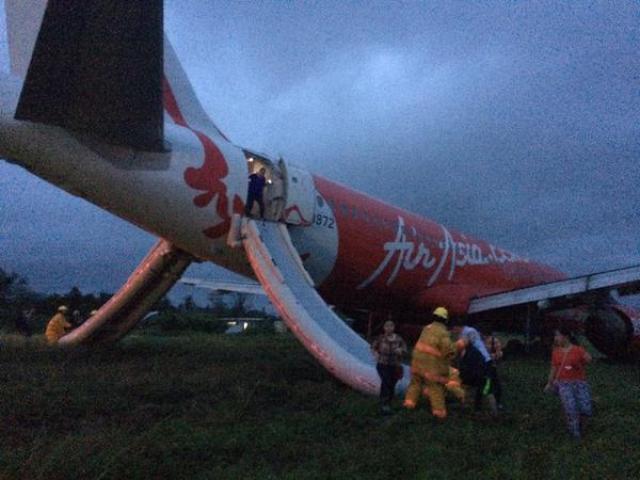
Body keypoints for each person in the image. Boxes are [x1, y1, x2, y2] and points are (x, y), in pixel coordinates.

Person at [403, 307, 458, 419]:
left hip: (417, 362)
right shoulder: (443, 333)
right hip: (431, 367)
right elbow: (448, 350)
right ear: (445, 320)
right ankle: (439, 414)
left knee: (415, 383)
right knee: (435, 387)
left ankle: (409, 404)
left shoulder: (426, 328)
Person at [544, 327, 592, 439]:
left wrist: (579, 363)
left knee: (585, 408)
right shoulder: (556, 352)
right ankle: (575, 434)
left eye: (557, 335)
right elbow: (554, 368)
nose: (555, 338)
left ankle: (581, 426)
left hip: (579, 383)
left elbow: (588, 359)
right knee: (570, 408)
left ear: (565, 337)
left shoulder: (578, 350)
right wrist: (549, 382)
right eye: (555, 336)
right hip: (564, 384)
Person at [453, 322, 497, 416]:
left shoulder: (469, 334)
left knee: (486, 388)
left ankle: (492, 412)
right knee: (478, 387)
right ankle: (476, 408)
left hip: (484, 365)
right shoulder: (468, 348)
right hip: (479, 367)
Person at [371, 320, 407, 414]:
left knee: (392, 384)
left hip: (395, 365)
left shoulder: (399, 339)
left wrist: (401, 350)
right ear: (384, 328)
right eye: (387, 326)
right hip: (382, 364)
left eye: (391, 326)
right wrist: (375, 354)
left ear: (394, 327)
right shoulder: (380, 338)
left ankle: (389, 402)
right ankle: (384, 404)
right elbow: (373, 347)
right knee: (386, 381)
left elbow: (404, 349)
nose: (389, 328)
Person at [483, 329, 504, 409]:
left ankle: (497, 401)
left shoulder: (494, 341)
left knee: (496, 384)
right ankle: (486, 398)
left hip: (492, 365)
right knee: (486, 383)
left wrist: (492, 356)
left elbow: (499, 353)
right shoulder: (479, 341)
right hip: (483, 366)